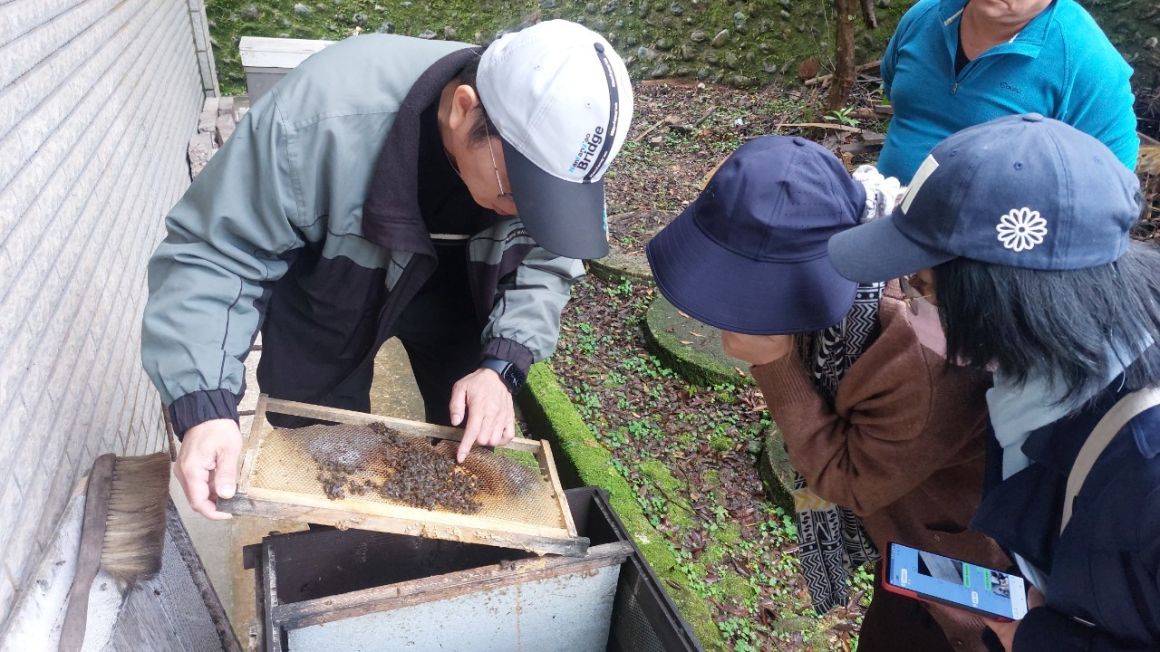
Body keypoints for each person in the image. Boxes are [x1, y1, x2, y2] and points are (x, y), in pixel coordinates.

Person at [141, 21, 634, 520]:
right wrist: (205, 405)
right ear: (465, 108)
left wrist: (502, 366)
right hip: (333, 286)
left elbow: (549, 262)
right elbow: (219, 250)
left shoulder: (562, 153)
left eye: (546, 203)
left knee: (464, 441)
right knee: (322, 449)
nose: (528, 212)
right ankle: (333, 538)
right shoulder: (318, 116)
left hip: (460, 293)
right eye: (518, 191)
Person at [646, 136, 1009, 651]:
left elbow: (850, 480)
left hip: (968, 579)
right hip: (907, 550)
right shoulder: (861, 225)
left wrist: (775, 365)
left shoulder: (920, 352)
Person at [829, 113, 1160, 650]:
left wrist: (1038, 638)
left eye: (923, 288)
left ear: (1008, 299)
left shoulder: (1146, 473)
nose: (911, 308)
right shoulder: (1038, 376)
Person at [877, 0, 1138, 184]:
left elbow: (1112, 186)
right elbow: (894, 88)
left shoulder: (1089, 61)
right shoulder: (924, 17)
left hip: (993, 252)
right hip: (887, 224)